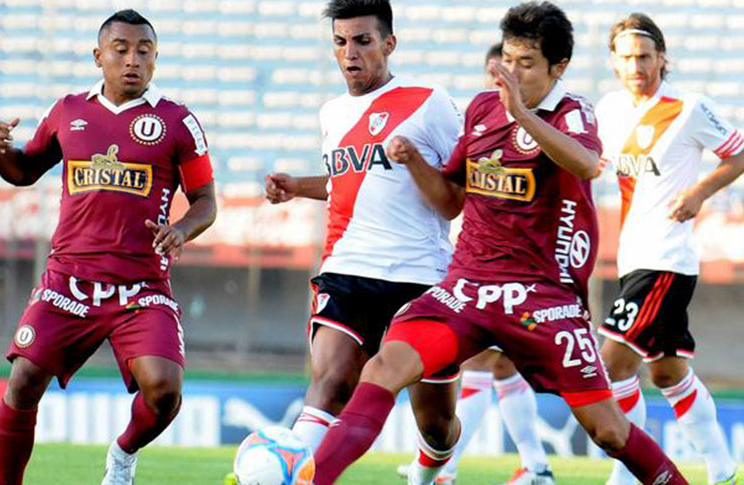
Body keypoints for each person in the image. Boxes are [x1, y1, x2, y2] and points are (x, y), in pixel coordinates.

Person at [312, 3, 690, 485]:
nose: (512, 73)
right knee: (382, 369)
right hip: (467, 289)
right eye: (507, 60)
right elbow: (451, 198)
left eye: (526, 63)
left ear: (559, 68)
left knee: (609, 431)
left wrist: (523, 115)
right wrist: (414, 162)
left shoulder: (573, 114)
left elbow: (586, 164)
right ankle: (312, 479)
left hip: (542, 299)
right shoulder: (482, 109)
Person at [0, 9, 216, 485]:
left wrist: (182, 229)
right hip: (68, 282)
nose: (132, 60)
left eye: (144, 51)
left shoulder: (177, 122)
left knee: (164, 392)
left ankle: (123, 453)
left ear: (156, 59)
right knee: (22, 382)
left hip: (141, 287)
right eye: (121, 50)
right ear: (99, 57)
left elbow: (206, 202)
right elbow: (24, 170)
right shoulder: (68, 111)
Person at [263, 0, 463, 470]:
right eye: (340, 42)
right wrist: (297, 187)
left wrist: (413, 158)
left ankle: (430, 471)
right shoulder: (332, 112)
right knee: (331, 381)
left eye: (362, 41)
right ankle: (286, 474)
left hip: (421, 277)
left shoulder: (429, 102)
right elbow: (350, 183)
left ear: (389, 44)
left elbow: (457, 200)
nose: (350, 53)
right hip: (347, 269)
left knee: (435, 422)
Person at [595, 13, 744, 485]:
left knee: (612, 361)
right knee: (667, 374)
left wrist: (700, 193)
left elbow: (739, 154)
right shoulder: (609, 109)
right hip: (633, 258)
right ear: (614, 64)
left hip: (667, 261)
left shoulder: (689, 107)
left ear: (662, 58)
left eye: (645, 56)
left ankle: (627, 474)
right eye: (627, 57)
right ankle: (723, 470)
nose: (637, 65)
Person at [397, 41, 555, 485]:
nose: (500, 84)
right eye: (495, 76)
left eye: (511, 72)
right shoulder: (482, 123)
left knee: (482, 365)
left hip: (508, 270)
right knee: (499, 367)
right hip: (482, 264)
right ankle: (536, 466)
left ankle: (445, 467)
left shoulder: (538, 130)